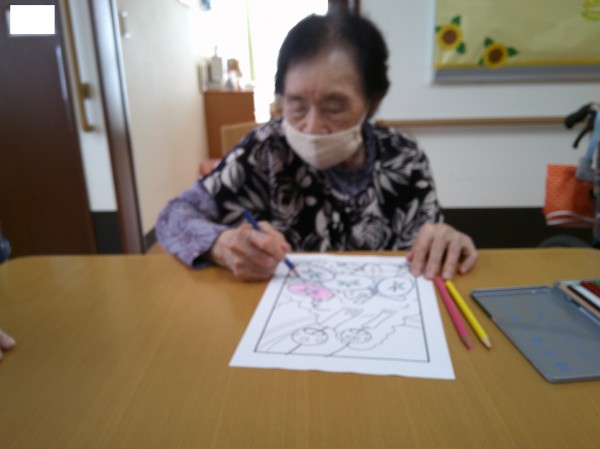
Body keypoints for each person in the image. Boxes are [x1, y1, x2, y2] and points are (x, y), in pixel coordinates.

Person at [157, 11, 478, 281]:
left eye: (334, 107)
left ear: (373, 101)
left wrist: (442, 240)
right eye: (296, 105)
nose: (311, 127)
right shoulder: (265, 149)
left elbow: (429, 241)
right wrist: (223, 245)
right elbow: (173, 216)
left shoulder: (403, 156)